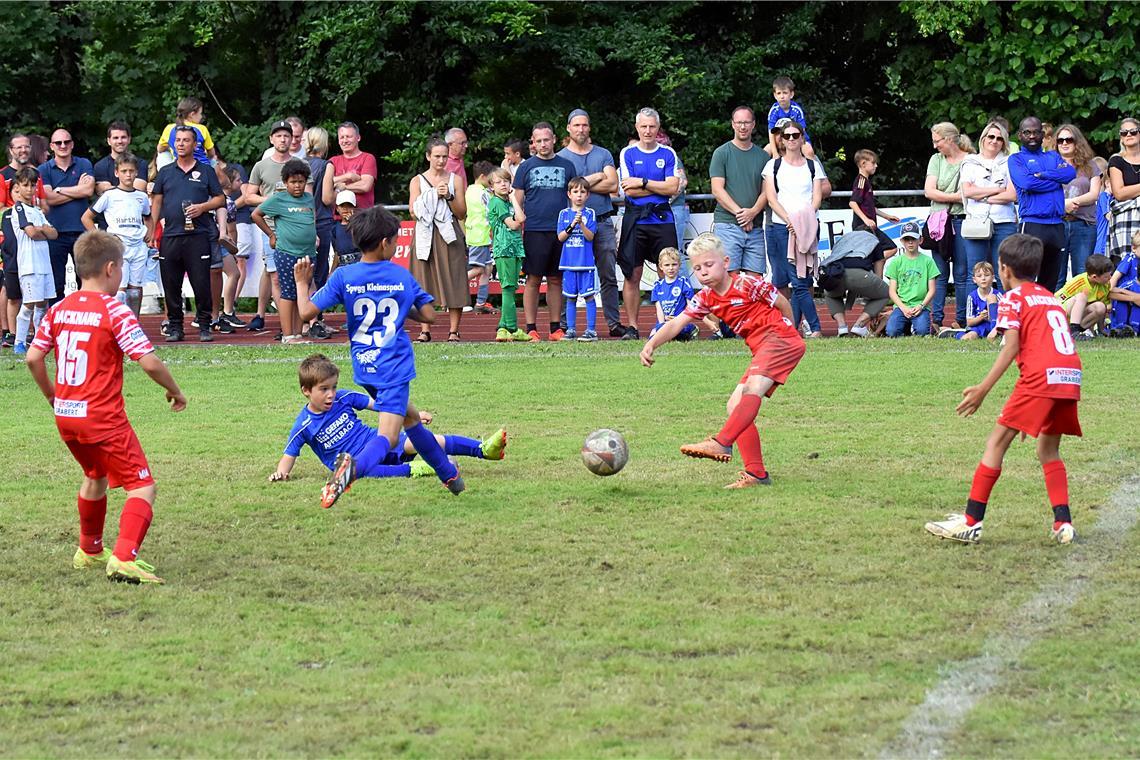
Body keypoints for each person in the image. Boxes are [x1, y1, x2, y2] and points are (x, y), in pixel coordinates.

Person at [25, 229, 187, 584]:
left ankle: (89, 549)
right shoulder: (115, 310)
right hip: (102, 416)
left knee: (94, 475)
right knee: (142, 486)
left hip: (66, 416)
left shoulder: (58, 310)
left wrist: (53, 396)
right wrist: (175, 390)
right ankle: (124, 558)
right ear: (111, 268)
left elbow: (34, 357)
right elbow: (148, 361)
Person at [293, 206, 466, 507]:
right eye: (396, 240)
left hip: (366, 367)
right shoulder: (400, 275)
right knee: (389, 436)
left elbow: (306, 312)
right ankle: (352, 470)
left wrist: (300, 283)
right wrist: (402, 306)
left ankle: (449, 475)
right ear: (386, 242)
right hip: (394, 367)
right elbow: (429, 315)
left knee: (411, 420)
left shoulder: (343, 276)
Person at [925, 234, 1081, 546]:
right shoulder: (1048, 297)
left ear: (1004, 270)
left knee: (996, 443)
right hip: (1069, 375)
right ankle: (1063, 522)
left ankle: (971, 522)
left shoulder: (1012, 298)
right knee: (1048, 450)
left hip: (1041, 378)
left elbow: (1010, 348)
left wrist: (983, 388)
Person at [640, 232, 805, 489]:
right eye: (697, 268)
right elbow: (677, 323)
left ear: (725, 262)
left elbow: (783, 302)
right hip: (763, 348)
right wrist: (651, 344)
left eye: (709, 264)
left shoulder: (748, 284)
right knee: (734, 405)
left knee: (752, 391)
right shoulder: (705, 297)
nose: (703, 271)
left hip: (779, 339)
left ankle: (723, 442)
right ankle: (756, 474)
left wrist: (789, 329)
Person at [269, 354, 507, 482]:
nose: (331, 394)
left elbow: (384, 405)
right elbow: (289, 454)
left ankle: (483, 449)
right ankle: (422, 469)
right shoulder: (304, 425)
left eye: (333, 387)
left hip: (380, 440)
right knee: (364, 472)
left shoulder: (345, 397)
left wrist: (414, 415)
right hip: (355, 462)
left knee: (421, 439)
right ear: (306, 391)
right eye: (324, 389)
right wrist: (281, 473)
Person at [149, 125, 226, 343]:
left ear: (195, 144)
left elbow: (220, 199)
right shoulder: (165, 172)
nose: (181, 144)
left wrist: (202, 207)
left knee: (201, 283)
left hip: (198, 235)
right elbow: (156, 201)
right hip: (171, 236)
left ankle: (204, 325)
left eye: (186, 140)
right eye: (178, 140)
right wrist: (152, 229)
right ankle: (175, 327)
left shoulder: (206, 170)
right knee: (171, 284)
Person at [558, 109, 622, 336]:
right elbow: (564, 190)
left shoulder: (603, 153)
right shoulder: (561, 158)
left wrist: (580, 184)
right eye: (576, 125)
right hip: (573, 227)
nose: (581, 129)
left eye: (585, 125)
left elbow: (613, 185)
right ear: (568, 128)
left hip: (602, 220)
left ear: (589, 128)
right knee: (570, 273)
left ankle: (613, 323)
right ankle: (567, 326)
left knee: (607, 273)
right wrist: (596, 178)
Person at [617, 108, 681, 340]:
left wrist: (643, 181)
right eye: (643, 126)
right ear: (637, 127)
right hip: (636, 219)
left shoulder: (668, 153)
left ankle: (668, 325)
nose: (647, 131)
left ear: (658, 128)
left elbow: (672, 188)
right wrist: (657, 184)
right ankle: (633, 327)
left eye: (652, 127)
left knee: (668, 271)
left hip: (662, 218)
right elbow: (628, 188)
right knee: (632, 273)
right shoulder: (628, 153)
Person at [513, 121, 576, 341]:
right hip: (534, 230)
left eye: (546, 139)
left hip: (560, 231)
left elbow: (574, 197)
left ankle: (555, 328)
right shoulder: (525, 167)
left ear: (554, 140)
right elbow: (517, 200)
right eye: (538, 140)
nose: (542, 144)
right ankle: (531, 327)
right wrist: (515, 225)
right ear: (533, 142)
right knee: (533, 279)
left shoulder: (567, 166)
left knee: (556, 279)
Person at [762, 119, 823, 337]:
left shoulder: (812, 165)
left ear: (801, 137)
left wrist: (801, 220)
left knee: (801, 281)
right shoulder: (773, 166)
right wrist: (789, 219)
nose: (790, 140)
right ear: (781, 139)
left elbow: (817, 197)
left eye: (794, 135)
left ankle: (813, 327)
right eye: (786, 136)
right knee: (786, 281)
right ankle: (797, 327)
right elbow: (771, 198)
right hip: (780, 227)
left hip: (806, 228)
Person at [244, 121, 302, 336]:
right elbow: (249, 196)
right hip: (271, 228)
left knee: (299, 277)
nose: (283, 139)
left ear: (292, 139)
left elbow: (309, 197)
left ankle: (300, 324)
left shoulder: (299, 164)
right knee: (276, 276)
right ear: (271, 139)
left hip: (296, 228)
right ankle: (284, 325)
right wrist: (271, 200)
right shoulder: (261, 166)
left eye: (287, 136)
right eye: (278, 136)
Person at [409, 137, 468, 343]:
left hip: (449, 234)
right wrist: (430, 198)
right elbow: (412, 212)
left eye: (444, 156)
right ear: (428, 157)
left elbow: (461, 213)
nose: (441, 161)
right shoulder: (417, 180)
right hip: (425, 232)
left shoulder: (456, 179)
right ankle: (425, 329)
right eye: (437, 156)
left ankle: (454, 330)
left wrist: (449, 197)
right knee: (423, 281)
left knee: (455, 278)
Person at [252, 158, 316, 345]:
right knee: (288, 292)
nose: (297, 186)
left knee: (301, 293)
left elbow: (312, 220)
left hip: (308, 252)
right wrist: (271, 235)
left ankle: (297, 333)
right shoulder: (279, 199)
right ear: (285, 182)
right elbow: (256, 214)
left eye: (301, 182)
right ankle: (287, 334)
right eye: (293, 182)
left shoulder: (309, 199)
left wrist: (315, 236)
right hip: (287, 252)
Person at [1009, 116, 1076, 291]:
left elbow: (1069, 174)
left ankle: (1043, 317)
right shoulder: (1016, 159)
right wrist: (1055, 178)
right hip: (1033, 224)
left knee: (1051, 280)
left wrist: (1043, 174)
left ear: (1042, 134)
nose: (1032, 136)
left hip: (1057, 225)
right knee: (1026, 277)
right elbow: (1027, 183)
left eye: (1036, 132)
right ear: (1020, 135)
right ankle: (1024, 316)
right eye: (1027, 132)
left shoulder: (1053, 155)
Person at [81, 155, 152, 316]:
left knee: (135, 291)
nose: (128, 175)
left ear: (137, 173)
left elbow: (148, 217)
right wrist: (103, 239)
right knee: (120, 290)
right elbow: (86, 217)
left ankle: (133, 323)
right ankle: (117, 323)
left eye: (132, 171)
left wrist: (150, 232)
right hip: (119, 248)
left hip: (138, 247)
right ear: (116, 173)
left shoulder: (141, 197)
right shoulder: (109, 195)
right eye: (124, 171)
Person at [709, 105, 769, 276]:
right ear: (732, 124)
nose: (743, 126)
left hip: (755, 227)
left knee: (756, 281)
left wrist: (753, 212)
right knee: (729, 278)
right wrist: (742, 215)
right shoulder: (721, 153)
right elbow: (717, 190)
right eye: (739, 122)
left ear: (753, 125)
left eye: (746, 122)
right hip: (727, 225)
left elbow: (766, 191)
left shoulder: (763, 156)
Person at [924, 122, 971, 331]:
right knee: (939, 273)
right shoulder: (936, 160)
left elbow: (970, 192)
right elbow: (929, 191)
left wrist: (948, 198)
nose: (935, 146)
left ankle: (961, 319)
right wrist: (956, 197)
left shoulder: (970, 160)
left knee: (961, 272)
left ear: (950, 139)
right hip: (940, 221)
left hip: (962, 220)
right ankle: (936, 319)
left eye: (937, 141)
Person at [960, 120, 1018, 292]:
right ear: (983, 138)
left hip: (1004, 222)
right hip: (976, 222)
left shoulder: (1010, 162)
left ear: (1004, 142)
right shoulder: (970, 161)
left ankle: (1007, 315)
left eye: (999, 138)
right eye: (991, 136)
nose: (994, 141)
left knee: (1004, 273)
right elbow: (968, 191)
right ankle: (971, 317)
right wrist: (997, 190)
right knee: (976, 272)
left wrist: (982, 195)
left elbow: (1012, 195)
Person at [39, 127, 94, 304]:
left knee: (86, 280)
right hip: (55, 233)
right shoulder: (44, 169)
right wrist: (77, 189)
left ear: (72, 144)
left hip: (82, 232)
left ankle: (86, 319)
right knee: (56, 283)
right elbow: (50, 198)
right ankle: (57, 323)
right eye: (58, 142)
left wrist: (60, 189)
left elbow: (88, 190)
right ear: (52, 146)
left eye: (66, 142)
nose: (63, 145)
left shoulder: (84, 163)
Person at [9, 168, 57, 353]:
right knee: (29, 303)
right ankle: (19, 342)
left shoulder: (38, 210)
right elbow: (31, 233)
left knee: (42, 304)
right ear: (18, 187)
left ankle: (38, 341)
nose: (29, 189)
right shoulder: (19, 208)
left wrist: (42, 229)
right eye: (25, 185)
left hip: (44, 264)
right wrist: (42, 230)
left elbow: (54, 234)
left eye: (32, 185)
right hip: (29, 264)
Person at [1051, 124, 1102, 291]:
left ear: (1077, 141)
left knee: (1082, 274)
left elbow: (1095, 194)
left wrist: (1072, 202)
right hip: (1056, 224)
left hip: (1083, 224)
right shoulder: (1050, 164)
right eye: (1060, 140)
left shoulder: (1090, 165)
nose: (1064, 143)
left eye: (1069, 139)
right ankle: (1055, 314)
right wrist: (1062, 205)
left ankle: (1081, 316)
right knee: (1056, 274)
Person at [819, 230, 891, 337]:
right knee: (885, 293)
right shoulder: (874, 241)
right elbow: (878, 274)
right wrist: (874, 307)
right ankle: (859, 325)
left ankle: (842, 327)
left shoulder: (844, 238)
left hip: (835, 274)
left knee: (831, 294)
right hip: (858, 274)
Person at [487, 168, 529, 342]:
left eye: (506, 181)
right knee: (508, 289)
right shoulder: (496, 202)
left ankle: (503, 328)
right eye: (498, 182)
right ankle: (512, 327)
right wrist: (512, 200)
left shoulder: (508, 202)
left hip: (514, 248)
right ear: (491, 187)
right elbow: (514, 224)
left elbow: (521, 217)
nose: (503, 184)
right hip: (504, 249)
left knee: (511, 288)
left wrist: (513, 198)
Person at [556, 176, 598, 341]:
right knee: (570, 297)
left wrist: (581, 224)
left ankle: (591, 331)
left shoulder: (590, 213)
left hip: (585, 263)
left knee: (589, 296)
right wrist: (572, 224)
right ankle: (571, 329)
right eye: (575, 192)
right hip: (568, 263)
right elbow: (560, 237)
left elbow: (590, 237)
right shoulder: (564, 214)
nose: (579, 195)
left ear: (587, 195)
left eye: (582, 192)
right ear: (569, 194)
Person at [305, 126, 336, 338]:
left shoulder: (299, 164)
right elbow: (326, 198)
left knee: (303, 272)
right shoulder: (327, 165)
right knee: (320, 272)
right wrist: (337, 190)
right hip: (322, 222)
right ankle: (317, 319)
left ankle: (305, 319)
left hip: (301, 222)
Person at [848, 149, 899, 276]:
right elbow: (853, 203)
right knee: (889, 249)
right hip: (864, 227)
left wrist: (887, 216)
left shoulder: (866, 182)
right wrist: (866, 220)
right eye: (873, 163)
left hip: (869, 226)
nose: (876, 165)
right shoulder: (861, 181)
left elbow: (869, 206)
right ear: (863, 164)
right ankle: (870, 267)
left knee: (884, 253)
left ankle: (877, 284)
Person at [884, 221, 939, 337]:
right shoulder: (896, 262)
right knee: (892, 332)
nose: (910, 242)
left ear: (920, 240)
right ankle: (906, 327)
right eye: (906, 239)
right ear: (901, 241)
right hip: (901, 306)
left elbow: (932, 289)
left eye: (913, 239)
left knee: (922, 332)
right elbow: (892, 291)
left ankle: (929, 327)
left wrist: (921, 306)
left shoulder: (928, 261)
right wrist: (903, 308)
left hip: (921, 306)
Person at [1055, 253, 1113, 341]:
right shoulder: (1078, 282)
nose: (1110, 278)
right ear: (1094, 277)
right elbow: (1057, 300)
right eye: (1106, 276)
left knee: (1101, 306)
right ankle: (1073, 331)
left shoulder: (1105, 284)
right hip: (1063, 314)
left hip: (1081, 318)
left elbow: (1103, 309)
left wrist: (1101, 330)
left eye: (1110, 275)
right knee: (1082, 296)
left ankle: (1076, 331)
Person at [939, 261, 1003, 341]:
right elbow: (969, 322)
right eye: (979, 276)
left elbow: (1006, 314)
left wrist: (993, 315)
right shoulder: (972, 296)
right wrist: (981, 317)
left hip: (996, 325)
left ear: (993, 278)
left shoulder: (997, 294)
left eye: (986, 275)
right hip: (979, 326)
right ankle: (956, 333)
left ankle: (994, 332)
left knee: (991, 297)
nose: (983, 278)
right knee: (968, 338)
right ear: (974, 280)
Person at [1106, 117, 1140, 264]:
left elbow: (1126, 191)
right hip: (1125, 220)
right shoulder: (1116, 161)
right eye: (1124, 133)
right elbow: (1119, 193)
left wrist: (1131, 190)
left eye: (1133, 131)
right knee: (1126, 265)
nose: (1128, 135)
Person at [464, 160, 495, 314]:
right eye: (490, 179)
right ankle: (455, 288)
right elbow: (489, 210)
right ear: (483, 176)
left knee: (487, 268)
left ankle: (481, 302)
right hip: (479, 235)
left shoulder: (470, 189)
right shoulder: (483, 193)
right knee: (478, 268)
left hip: (478, 235)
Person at [649, 247, 697, 341]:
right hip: (666, 322)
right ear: (661, 266)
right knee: (655, 332)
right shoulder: (658, 286)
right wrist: (662, 323)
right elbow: (659, 308)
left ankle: (689, 331)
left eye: (674, 264)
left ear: (679, 265)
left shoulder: (683, 282)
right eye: (667, 265)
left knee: (683, 329)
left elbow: (690, 307)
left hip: (680, 321)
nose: (671, 268)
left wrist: (678, 319)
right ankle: (669, 334)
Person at [329, 121, 377, 210]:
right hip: (336, 218)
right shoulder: (332, 161)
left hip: (362, 216)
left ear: (358, 137)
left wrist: (342, 187)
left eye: (349, 137)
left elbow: (365, 186)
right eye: (341, 137)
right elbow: (326, 185)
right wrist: (349, 176)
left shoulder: (368, 158)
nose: (345, 141)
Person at [766, 75, 816, 160]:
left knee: (809, 151)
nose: (782, 96)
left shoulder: (796, 110)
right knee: (765, 152)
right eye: (779, 93)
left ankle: (814, 171)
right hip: (780, 140)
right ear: (775, 95)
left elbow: (802, 131)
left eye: (785, 92)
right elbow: (771, 133)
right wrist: (775, 153)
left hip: (797, 138)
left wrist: (799, 149)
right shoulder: (774, 111)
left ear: (791, 94)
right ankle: (757, 173)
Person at [92, 121, 148, 195]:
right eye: (115, 138)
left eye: (123, 137)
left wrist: (111, 188)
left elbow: (137, 190)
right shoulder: (100, 166)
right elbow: (104, 192)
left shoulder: (140, 163)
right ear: (109, 141)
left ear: (129, 139)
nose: (120, 141)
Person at [157, 97, 216, 165]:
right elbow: (211, 153)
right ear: (192, 114)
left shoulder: (169, 128)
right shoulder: (202, 129)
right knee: (214, 161)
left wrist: (171, 146)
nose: (201, 116)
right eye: (200, 113)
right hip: (203, 168)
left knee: (163, 154)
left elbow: (160, 149)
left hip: (180, 169)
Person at [1107, 230, 1140, 337]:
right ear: (1134, 248)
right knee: (1135, 289)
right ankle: (1120, 327)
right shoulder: (1129, 259)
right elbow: (1113, 282)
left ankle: (1133, 329)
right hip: (1124, 294)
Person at [329, 190, 361, 275]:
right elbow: (336, 252)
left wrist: (352, 222)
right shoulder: (335, 228)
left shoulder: (360, 225)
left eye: (349, 206)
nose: (346, 209)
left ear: (354, 208)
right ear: (337, 208)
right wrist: (332, 271)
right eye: (342, 206)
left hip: (358, 263)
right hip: (342, 265)